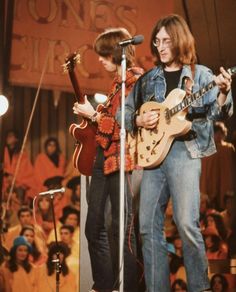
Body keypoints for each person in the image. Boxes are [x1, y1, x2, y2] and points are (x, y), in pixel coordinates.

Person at [116, 14, 233, 292]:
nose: (160, 47)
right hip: (154, 156)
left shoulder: (200, 75)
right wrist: (138, 121)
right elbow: (124, 111)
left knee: (185, 223)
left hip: (185, 152)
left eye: (166, 40)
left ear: (179, 40)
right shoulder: (148, 79)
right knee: (147, 226)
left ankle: (200, 287)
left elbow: (220, 113)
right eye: (157, 42)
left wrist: (223, 92)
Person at [73, 27, 144, 292]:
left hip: (122, 160)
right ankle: (103, 285)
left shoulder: (136, 80)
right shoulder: (116, 84)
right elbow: (106, 127)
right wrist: (89, 117)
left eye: (103, 54)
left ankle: (127, 288)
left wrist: (93, 115)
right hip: (104, 159)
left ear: (116, 52)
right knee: (93, 227)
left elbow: (123, 126)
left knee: (120, 229)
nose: (100, 60)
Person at [200, 121, 235, 210]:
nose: (218, 136)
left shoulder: (228, 148)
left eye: (221, 133)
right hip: (210, 182)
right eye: (216, 133)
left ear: (224, 134)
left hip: (225, 182)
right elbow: (203, 169)